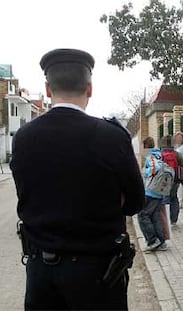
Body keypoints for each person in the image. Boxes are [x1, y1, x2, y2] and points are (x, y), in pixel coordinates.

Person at [10, 48, 145, 310]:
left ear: (48, 89)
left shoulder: (24, 138)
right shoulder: (112, 137)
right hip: (98, 276)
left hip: (42, 275)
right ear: (90, 88)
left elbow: (26, 195)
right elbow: (135, 203)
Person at [139, 136, 167, 252]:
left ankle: (152, 240)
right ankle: (161, 242)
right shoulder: (160, 155)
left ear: (145, 146)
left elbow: (156, 168)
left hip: (151, 191)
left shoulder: (150, 156)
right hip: (159, 191)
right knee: (155, 216)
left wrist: (145, 172)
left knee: (142, 215)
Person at [160, 135, 183, 226]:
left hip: (164, 180)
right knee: (174, 198)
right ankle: (173, 220)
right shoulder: (177, 154)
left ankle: (166, 220)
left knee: (165, 199)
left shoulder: (160, 154)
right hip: (175, 180)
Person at [174, 132, 183, 209]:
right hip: (178, 169)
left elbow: (176, 156)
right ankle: (178, 202)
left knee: (180, 186)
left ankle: (180, 203)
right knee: (178, 186)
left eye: (180, 138)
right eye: (177, 138)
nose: (178, 139)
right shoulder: (177, 147)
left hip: (181, 169)